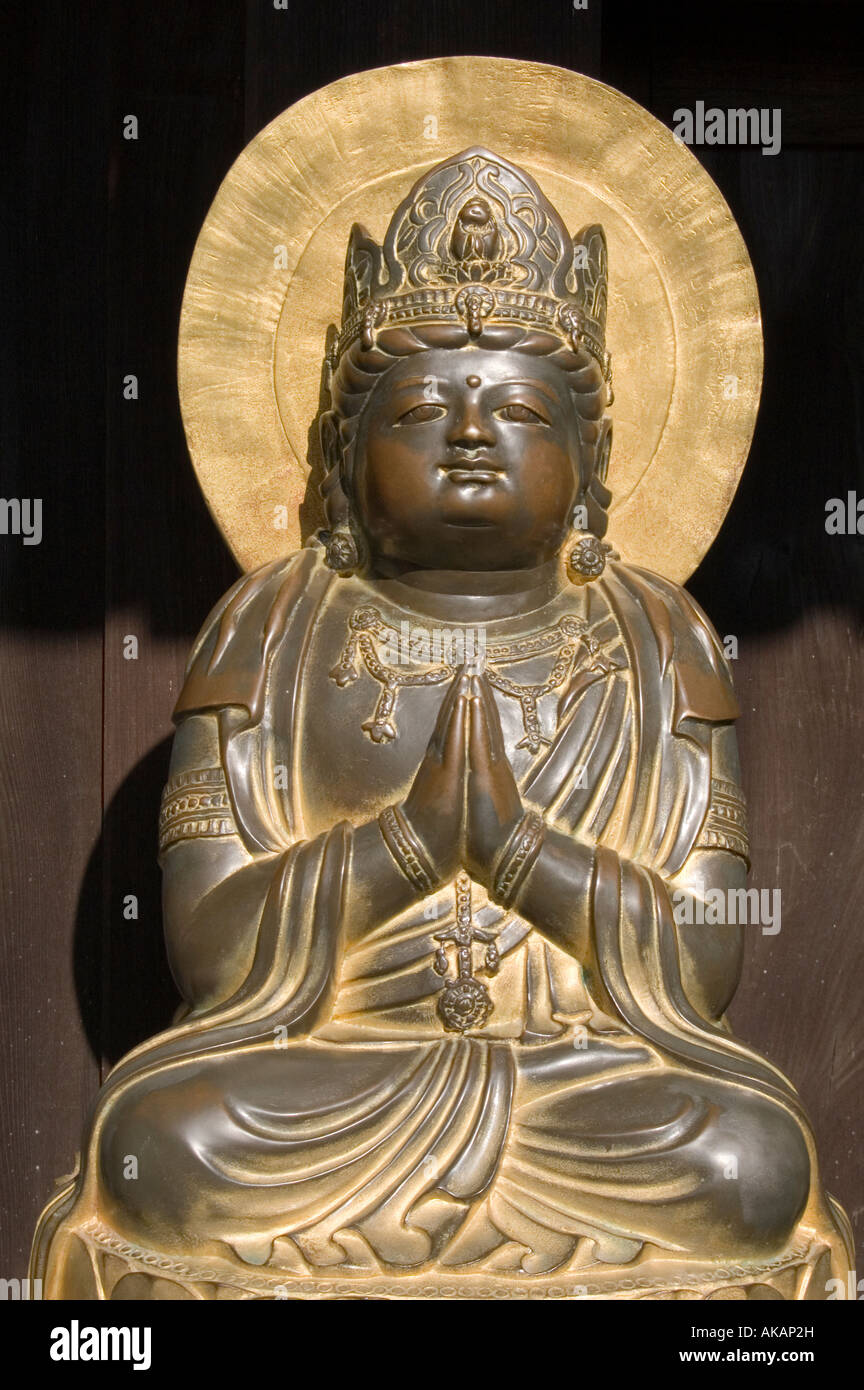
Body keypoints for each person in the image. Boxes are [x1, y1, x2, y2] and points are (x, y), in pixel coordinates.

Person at [34, 149, 851, 1299]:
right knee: (162, 1146)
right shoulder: (265, 628)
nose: (471, 431)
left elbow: (702, 960)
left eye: (520, 405)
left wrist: (518, 849)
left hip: (582, 1087)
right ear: (342, 451)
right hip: (332, 1086)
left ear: (595, 461)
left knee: (751, 1158)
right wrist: (410, 843)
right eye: (420, 406)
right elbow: (210, 950)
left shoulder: (662, 642)